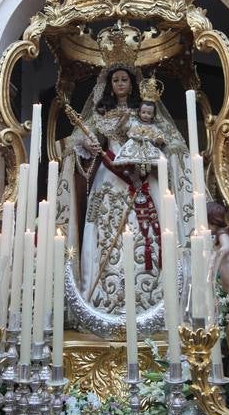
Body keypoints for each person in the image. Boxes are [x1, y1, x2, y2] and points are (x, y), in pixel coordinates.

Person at [58, 33, 194, 314]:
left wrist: (156, 146)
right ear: (109, 85)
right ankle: (106, 297)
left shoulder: (144, 112)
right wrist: (88, 143)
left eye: (125, 79)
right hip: (110, 183)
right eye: (116, 80)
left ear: (132, 83)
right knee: (106, 233)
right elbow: (74, 144)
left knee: (150, 234)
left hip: (143, 179)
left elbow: (172, 141)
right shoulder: (100, 114)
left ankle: (154, 298)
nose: (120, 84)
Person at [113, 98, 166, 175]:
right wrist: (125, 118)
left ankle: (149, 169)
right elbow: (123, 129)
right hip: (133, 145)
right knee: (129, 157)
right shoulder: (133, 123)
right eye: (143, 112)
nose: (145, 115)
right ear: (139, 112)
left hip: (147, 147)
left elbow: (158, 135)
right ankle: (128, 168)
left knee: (151, 160)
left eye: (149, 113)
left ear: (153, 115)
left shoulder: (154, 127)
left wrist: (159, 139)